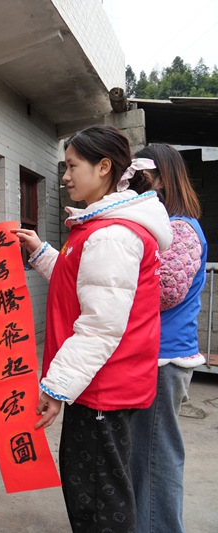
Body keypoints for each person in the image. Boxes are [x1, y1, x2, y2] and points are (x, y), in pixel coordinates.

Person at [12, 124, 172, 533]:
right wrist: (41, 253)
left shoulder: (112, 235)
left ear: (104, 167)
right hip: (100, 383)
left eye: (71, 165)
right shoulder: (99, 228)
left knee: (101, 498)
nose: (64, 176)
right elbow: (80, 285)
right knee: (96, 488)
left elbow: (100, 326)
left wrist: (54, 387)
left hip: (103, 387)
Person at [129, 144, 207, 533]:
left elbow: (164, 291)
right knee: (143, 453)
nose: (132, 182)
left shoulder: (179, 229)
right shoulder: (160, 225)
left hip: (163, 358)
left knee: (156, 456)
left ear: (161, 178)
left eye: (140, 175)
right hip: (148, 355)